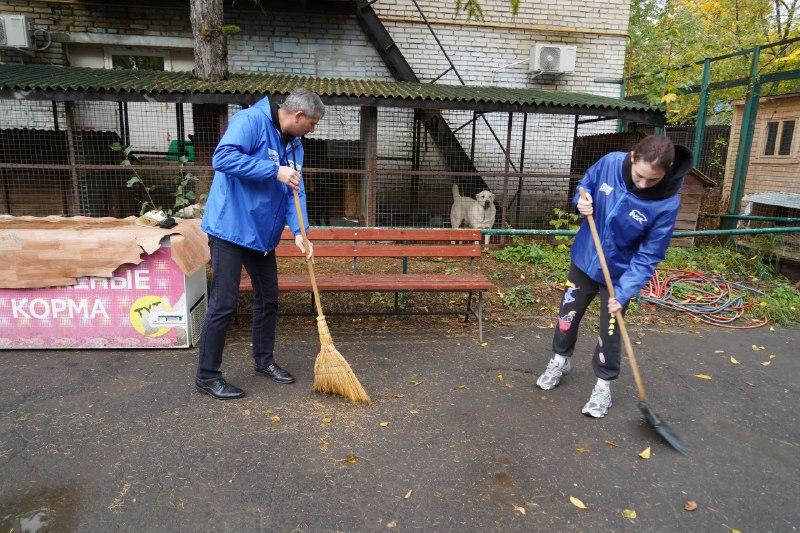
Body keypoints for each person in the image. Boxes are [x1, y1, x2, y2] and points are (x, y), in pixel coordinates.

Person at [535, 135, 692, 417]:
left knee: (610, 330)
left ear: (666, 172)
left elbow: (649, 255)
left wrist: (624, 291)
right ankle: (560, 359)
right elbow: (586, 184)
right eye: (640, 176)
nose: (643, 184)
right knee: (567, 316)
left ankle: (603, 384)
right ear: (633, 157)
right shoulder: (609, 164)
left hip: (620, 276)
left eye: (652, 180)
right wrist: (580, 201)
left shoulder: (666, 204)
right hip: (585, 260)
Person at [195, 88, 324, 400]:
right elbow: (222, 158)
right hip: (230, 227)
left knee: (268, 299)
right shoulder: (250, 121)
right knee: (224, 303)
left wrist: (299, 231)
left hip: (261, 235)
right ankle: (207, 376)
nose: (313, 129)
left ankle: (264, 361)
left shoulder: (295, 146)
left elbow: (296, 190)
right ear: (298, 116)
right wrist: (273, 170)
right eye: (313, 124)